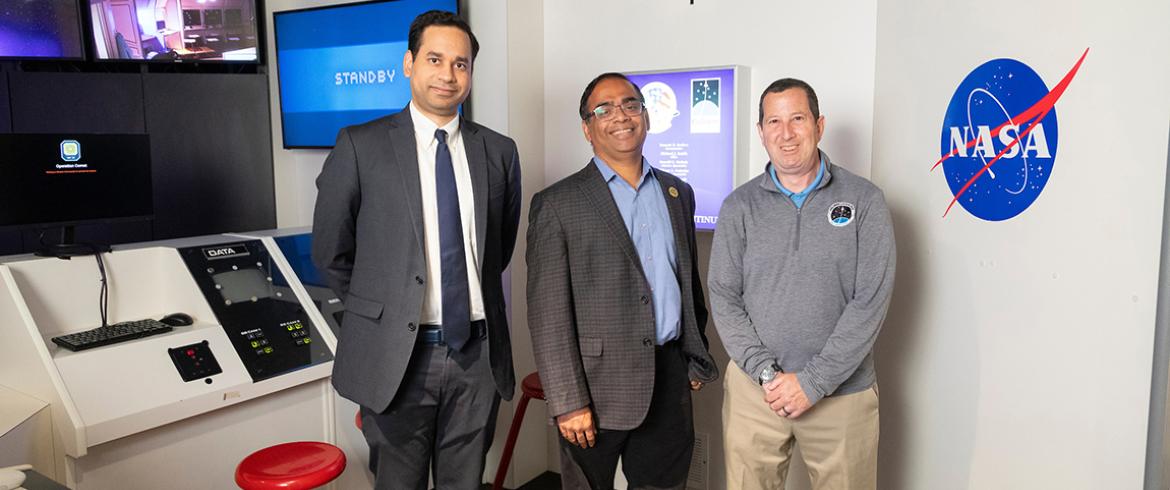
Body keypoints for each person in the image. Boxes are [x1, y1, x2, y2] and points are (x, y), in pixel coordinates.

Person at [311, 10, 521, 490]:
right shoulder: (360, 146)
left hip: (477, 356)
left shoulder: (499, 151)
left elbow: (497, 250)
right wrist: (386, 307)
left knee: (464, 482)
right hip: (397, 357)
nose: (448, 75)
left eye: (461, 64)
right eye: (435, 59)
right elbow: (331, 253)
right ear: (408, 64)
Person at [526, 72, 718, 490]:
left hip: (669, 377)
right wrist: (568, 400)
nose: (621, 115)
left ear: (646, 117)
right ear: (587, 128)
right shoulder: (557, 204)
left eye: (631, 104)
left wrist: (693, 352)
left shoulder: (677, 192)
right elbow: (547, 316)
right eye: (604, 108)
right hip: (595, 387)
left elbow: (686, 284)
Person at [707, 78, 896, 490]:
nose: (785, 132)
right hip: (756, 393)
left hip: (842, 394)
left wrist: (812, 382)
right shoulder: (738, 206)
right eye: (773, 121)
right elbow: (723, 296)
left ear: (819, 125)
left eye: (797, 118)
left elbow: (870, 301)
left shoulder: (865, 201)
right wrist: (765, 373)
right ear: (761, 132)